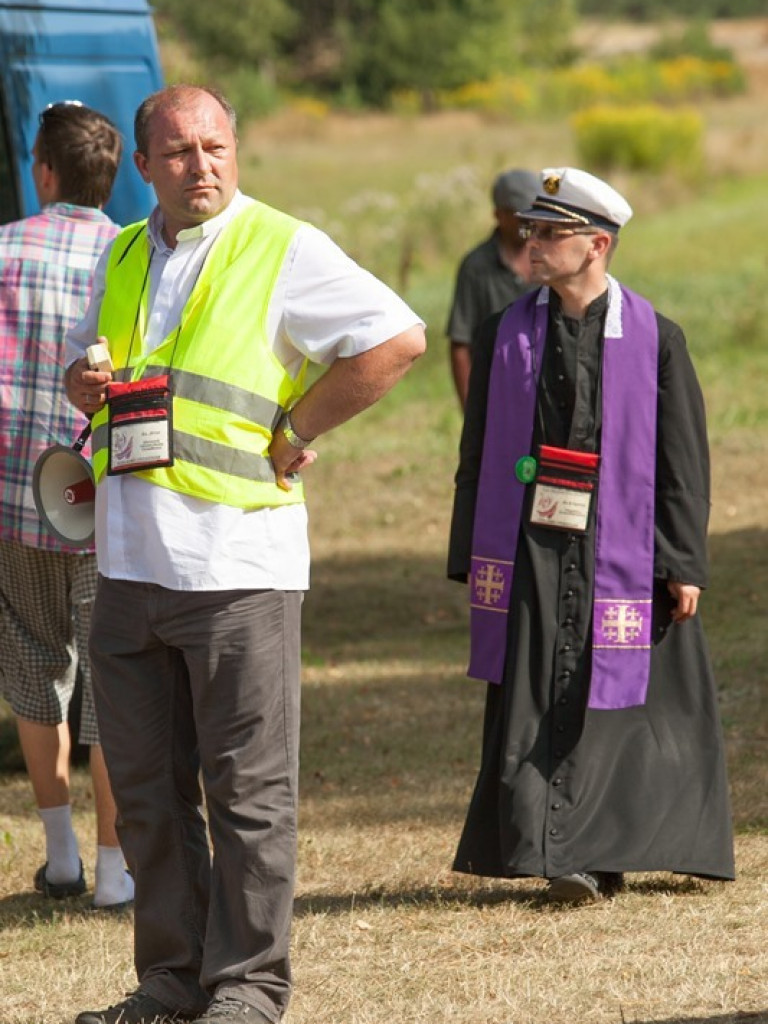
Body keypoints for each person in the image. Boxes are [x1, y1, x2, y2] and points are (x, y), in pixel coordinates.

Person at [63, 84, 426, 1024]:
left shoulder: (285, 246)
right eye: (180, 151)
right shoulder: (123, 251)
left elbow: (397, 339)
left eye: (216, 146)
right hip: (127, 565)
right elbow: (86, 370)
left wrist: (301, 426)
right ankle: (170, 981)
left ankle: (250, 989)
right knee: (146, 797)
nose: (202, 165)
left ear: (236, 149)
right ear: (143, 165)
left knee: (248, 797)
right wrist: (81, 383)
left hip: (236, 569)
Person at [447, 167, 734, 904]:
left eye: (550, 233)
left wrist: (683, 560)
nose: (532, 243)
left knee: (621, 704)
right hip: (530, 548)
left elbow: (682, 460)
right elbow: (476, 451)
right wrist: (468, 550)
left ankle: (603, 850)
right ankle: (552, 851)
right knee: (536, 693)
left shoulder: (656, 339)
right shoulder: (503, 333)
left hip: (623, 548)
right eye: (530, 230)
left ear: (597, 245)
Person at [0, 101, 135, 910]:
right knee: (114, 679)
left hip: (14, 497)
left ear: (43, 171)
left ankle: (59, 859)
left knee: (33, 668)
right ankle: (116, 869)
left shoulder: (1, 250)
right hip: (107, 499)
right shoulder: (133, 254)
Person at [446, 168, 538, 408]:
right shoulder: (476, 267)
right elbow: (460, 343)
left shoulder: (550, 260)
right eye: (521, 216)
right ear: (499, 215)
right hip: (497, 396)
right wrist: (472, 411)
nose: (529, 223)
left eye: (535, 214)